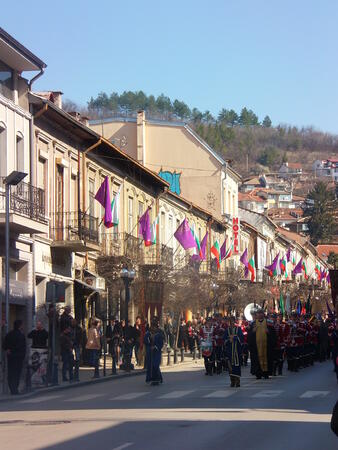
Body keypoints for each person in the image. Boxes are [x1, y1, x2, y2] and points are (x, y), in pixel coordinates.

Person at [248, 308, 276, 379]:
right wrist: (252, 332)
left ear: (263, 314)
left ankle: (266, 373)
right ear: (256, 314)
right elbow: (248, 334)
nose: (260, 315)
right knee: (256, 359)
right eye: (258, 313)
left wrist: (268, 332)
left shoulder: (269, 322)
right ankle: (258, 373)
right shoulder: (252, 323)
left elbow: (274, 334)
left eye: (261, 313)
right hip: (256, 346)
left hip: (266, 345)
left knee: (267, 358)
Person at [3, 320, 26, 395]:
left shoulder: (9, 334)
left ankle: (11, 388)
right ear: (20, 326)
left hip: (11, 356)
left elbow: (4, 344)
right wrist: (23, 356)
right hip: (18, 357)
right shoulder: (21, 335)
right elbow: (22, 347)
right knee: (17, 373)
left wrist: (7, 349)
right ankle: (15, 389)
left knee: (11, 373)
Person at [223, 316, 244, 387]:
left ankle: (238, 381)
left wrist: (234, 337)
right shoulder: (227, 330)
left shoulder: (238, 329)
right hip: (230, 351)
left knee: (237, 366)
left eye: (232, 321)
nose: (231, 323)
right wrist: (229, 340)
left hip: (237, 351)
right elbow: (224, 339)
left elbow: (241, 338)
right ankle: (232, 381)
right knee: (230, 366)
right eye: (230, 321)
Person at [144, 317, 164, 385]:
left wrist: (155, 347)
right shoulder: (148, 333)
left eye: (154, 326)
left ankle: (157, 378)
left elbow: (161, 343)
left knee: (155, 365)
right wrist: (149, 343)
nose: (153, 328)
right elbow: (145, 340)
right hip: (150, 351)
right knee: (150, 365)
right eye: (152, 326)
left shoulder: (159, 333)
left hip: (156, 352)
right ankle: (150, 378)